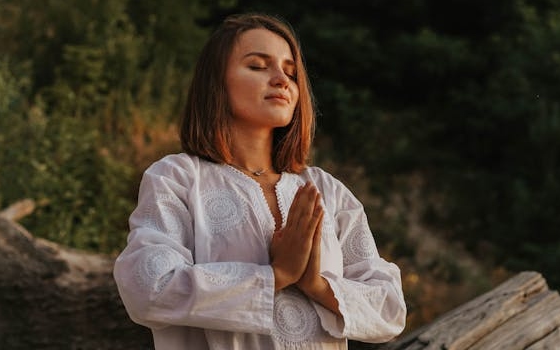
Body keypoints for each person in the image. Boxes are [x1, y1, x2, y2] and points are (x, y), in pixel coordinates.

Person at [113, 13, 406, 349]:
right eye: (257, 66)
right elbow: (147, 287)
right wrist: (275, 276)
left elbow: (390, 308)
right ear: (216, 82)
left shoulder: (327, 191)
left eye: (291, 72)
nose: (281, 79)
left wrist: (315, 284)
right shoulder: (178, 178)